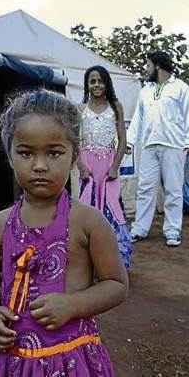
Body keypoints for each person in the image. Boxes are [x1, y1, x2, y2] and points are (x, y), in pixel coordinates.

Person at [0, 90, 128, 376]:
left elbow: (117, 284)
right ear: (9, 156)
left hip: (72, 360)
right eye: (25, 153)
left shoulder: (89, 222)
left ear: (74, 156)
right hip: (12, 361)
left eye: (54, 153)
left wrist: (73, 304)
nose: (40, 165)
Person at [127, 51, 189, 247]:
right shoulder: (145, 91)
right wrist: (130, 141)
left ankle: (173, 230)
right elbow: (138, 119)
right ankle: (140, 229)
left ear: (158, 66)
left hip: (174, 145)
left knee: (173, 189)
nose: (146, 69)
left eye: (148, 65)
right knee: (145, 188)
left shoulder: (181, 88)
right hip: (149, 145)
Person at [78, 65, 132, 268]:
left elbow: (122, 140)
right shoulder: (80, 109)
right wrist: (81, 166)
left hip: (108, 166)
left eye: (100, 80)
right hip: (88, 167)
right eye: (92, 81)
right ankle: (88, 261)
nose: (97, 85)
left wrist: (115, 166)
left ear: (106, 83)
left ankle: (116, 260)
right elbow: (75, 141)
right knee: (88, 207)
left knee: (112, 206)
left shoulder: (115, 106)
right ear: (87, 85)